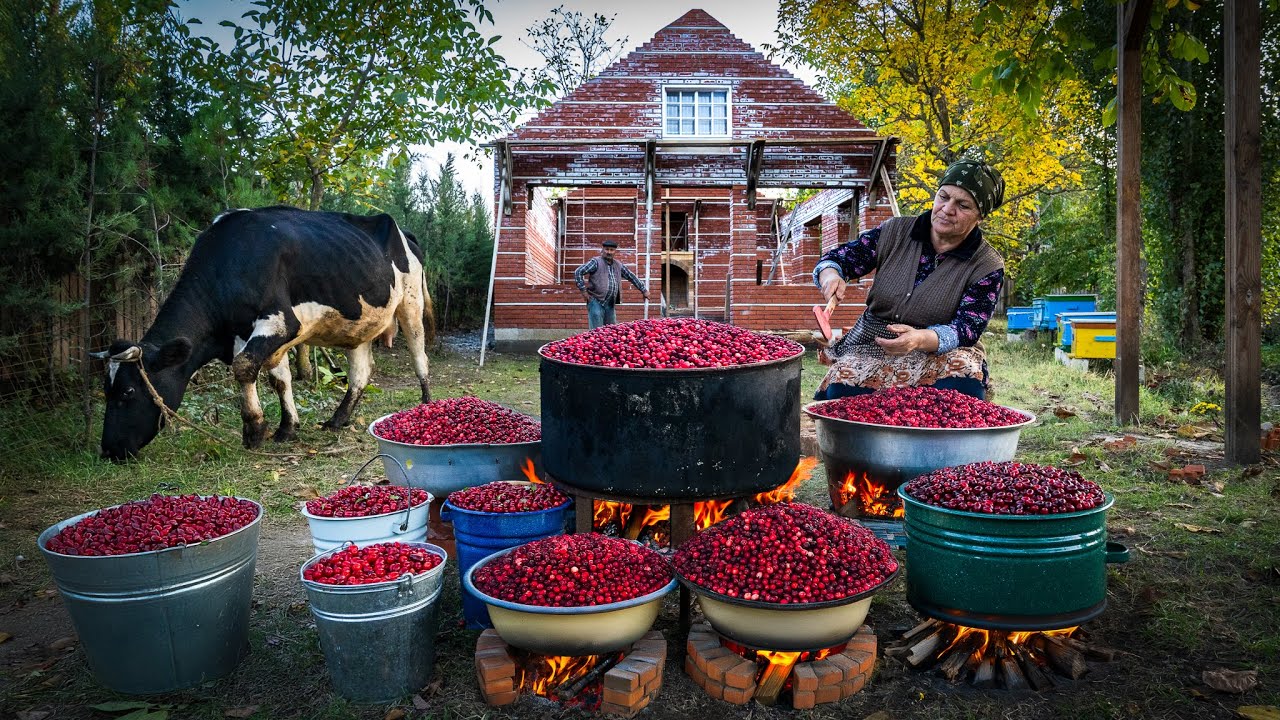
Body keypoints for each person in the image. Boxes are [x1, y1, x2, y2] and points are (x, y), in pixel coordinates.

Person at [813, 159, 1006, 400]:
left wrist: (919, 339)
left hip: (939, 351)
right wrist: (830, 274)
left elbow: (967, 328)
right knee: (842, 396)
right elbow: (839, 259)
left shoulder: (986, 265)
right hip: (873, 343)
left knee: (962, 391)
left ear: (981, 216)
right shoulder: (895, 232)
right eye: (943, 197)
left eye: (963, 205)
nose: (947, 209)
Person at [574, 239, 650, 329]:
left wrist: (644, 290)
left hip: (610, 304)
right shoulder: (596, 262)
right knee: (596, 332)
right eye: (607, 249)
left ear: (615, 251)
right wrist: (583, 291)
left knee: (610, 331)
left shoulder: (618, 265)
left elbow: (631, 276)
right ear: (602, 250)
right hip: (596, 301)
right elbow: (578, 271)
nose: (609, 252)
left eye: (611, 250)